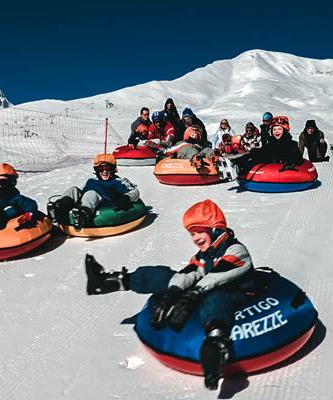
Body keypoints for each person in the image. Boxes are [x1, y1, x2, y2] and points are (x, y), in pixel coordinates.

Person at [84, 199, 270, 390]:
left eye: (199, 231)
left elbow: (217, 276)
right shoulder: (203, 256)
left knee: (214, 297)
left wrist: (193, 295)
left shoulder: (236, 250)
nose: (195, 237)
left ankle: (216, 344)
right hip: (206, 288)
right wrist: (171, 293)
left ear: (214, 229)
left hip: (237, 293)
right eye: (192, 234)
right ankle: (111, 282)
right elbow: (189, 273)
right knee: (165, 275)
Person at [47, 154, 139, 231]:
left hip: (101, 201)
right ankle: (58, 208)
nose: (104, 172)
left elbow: (135, 191)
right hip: (85, 199)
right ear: (97, 170)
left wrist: (127, 197)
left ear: (113, 169)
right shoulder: (92, 180)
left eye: (107, 169)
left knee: (91, 193)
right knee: (73, 189)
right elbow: (82, 192)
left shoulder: (118, 181)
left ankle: (82, 215)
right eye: (101, 169)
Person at [231, 116, 303, 174]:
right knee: (255, 153)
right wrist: (255, 151)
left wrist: (290, 163)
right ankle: (236, 164)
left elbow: (297, 157)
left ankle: (239, 168)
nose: (276, 132)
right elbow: (264, 152)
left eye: (279, 129)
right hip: (270, 163)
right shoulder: (271, 143)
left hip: (282, 168)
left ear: (285, 131)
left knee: (259, 154)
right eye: (274, 130)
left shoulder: (291, 144)